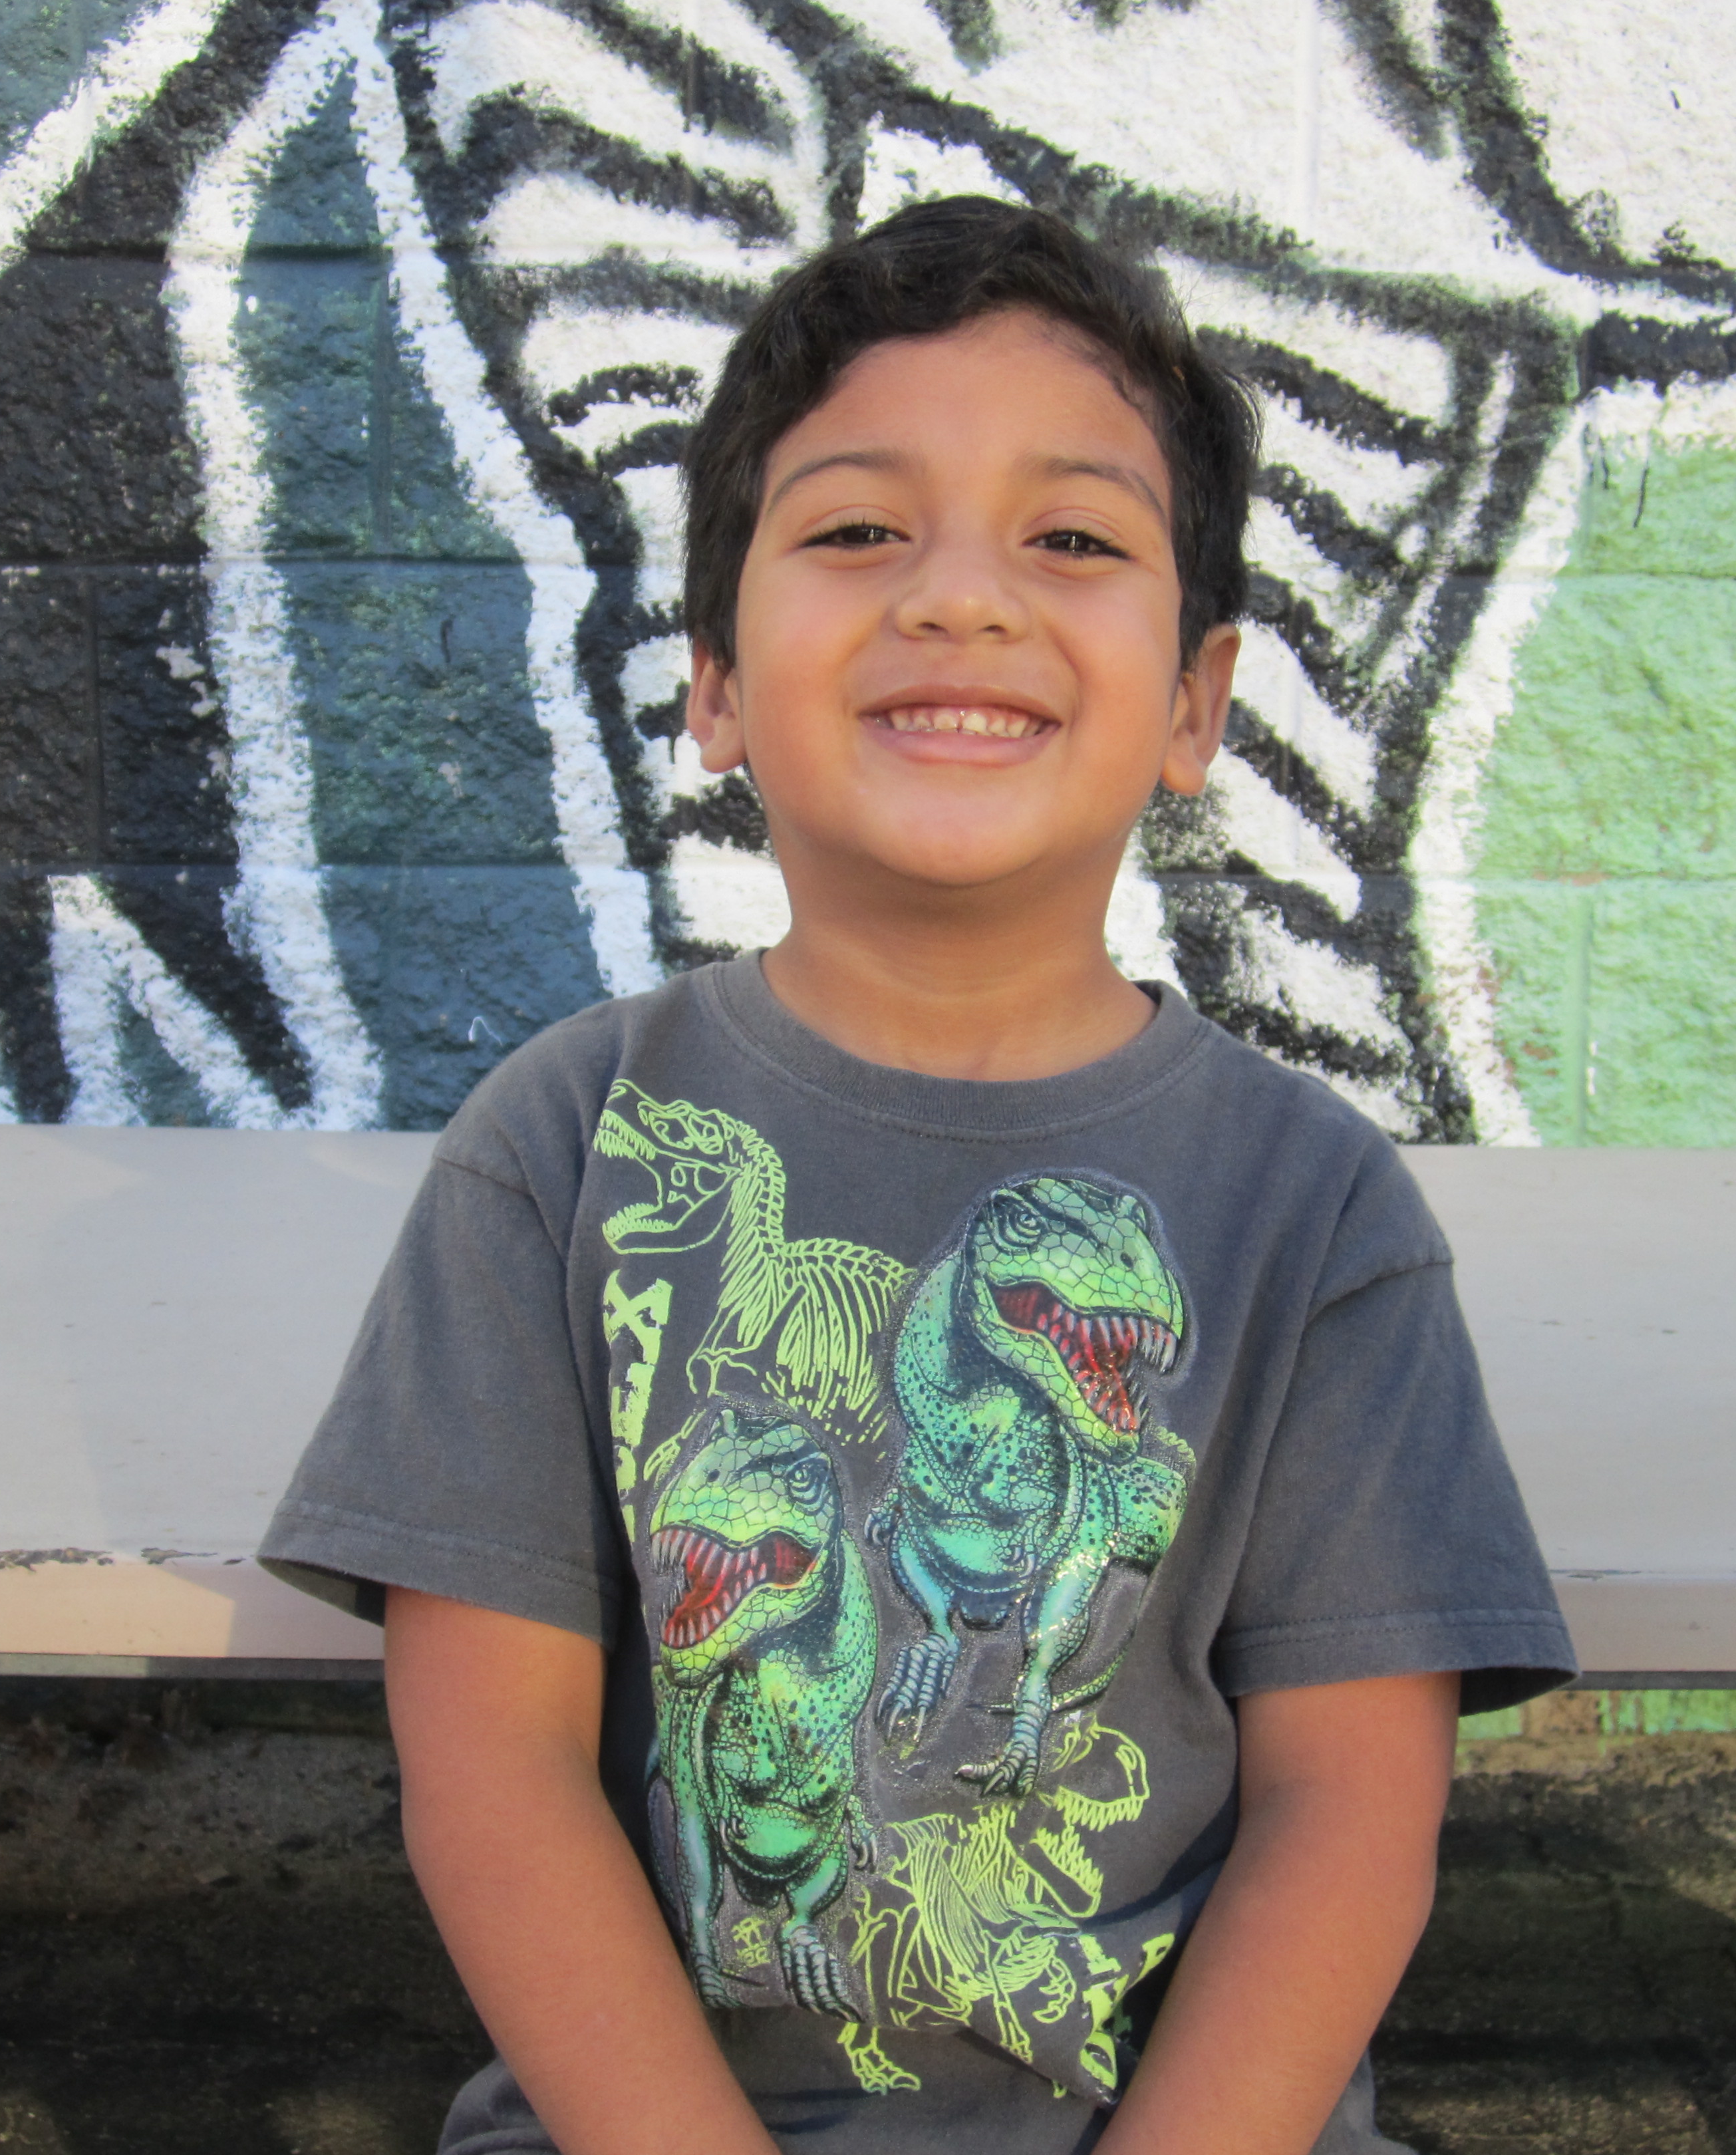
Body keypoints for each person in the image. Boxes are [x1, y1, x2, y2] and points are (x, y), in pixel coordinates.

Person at [259, 196, 1576, 2155]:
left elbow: (1347, 1814)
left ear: (1197, 701)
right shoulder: (562, 1149)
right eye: (861, 529)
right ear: (716, 681)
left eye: (1073, 540)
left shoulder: (1317, 1212)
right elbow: (495, 1777)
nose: (961, 598)